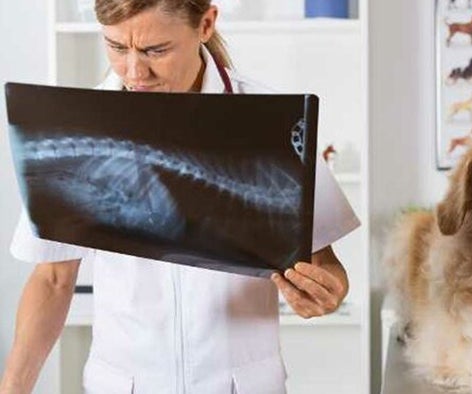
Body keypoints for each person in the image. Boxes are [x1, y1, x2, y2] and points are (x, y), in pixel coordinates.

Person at [0, 1, 359, 393]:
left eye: (156, 50)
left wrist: (327, 293)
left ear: (205, 23)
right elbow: (53, 278)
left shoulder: (274, 123)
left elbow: (326, 264)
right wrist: (13, 387)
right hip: (126, 383)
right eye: (118, 47)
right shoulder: (73, 127)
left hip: (239, 383)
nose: (136, 73)